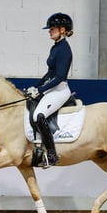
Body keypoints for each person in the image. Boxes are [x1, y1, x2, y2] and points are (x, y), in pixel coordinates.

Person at [26, 13, 74, 168]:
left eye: (52, 29)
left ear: (62, 30)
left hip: (60, 90)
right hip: (51, 88)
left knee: (39, 116)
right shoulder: (55, 47)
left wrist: (40, 90)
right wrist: (36, 86)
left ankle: (52, 155)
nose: (49, 31)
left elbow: (60, 77)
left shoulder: (64, 50)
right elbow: (50, 73)